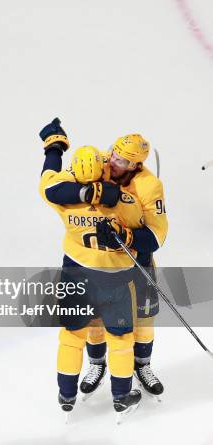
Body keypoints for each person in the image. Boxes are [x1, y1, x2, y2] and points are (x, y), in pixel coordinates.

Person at [38, 118, 143, 422]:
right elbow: (141, 229)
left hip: (75, 273)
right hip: (114, 277)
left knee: (71, 335)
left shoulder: (64, 200)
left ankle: (66, 394)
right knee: (121, 338)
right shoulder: (124, 201)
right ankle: (122, 396)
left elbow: (48, 181)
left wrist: (54, 147)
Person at [80, 134, 168, 401]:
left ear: (135, 166)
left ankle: (142, 366)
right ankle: (97, 364)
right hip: (99, 262)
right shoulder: (99, 165)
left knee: (143, 319)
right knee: (93, 317)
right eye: (113, 154)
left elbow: (157, 236)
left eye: (121, 161)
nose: (113, 162)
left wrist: (128, 237)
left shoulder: (149, 186)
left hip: (135, 261)